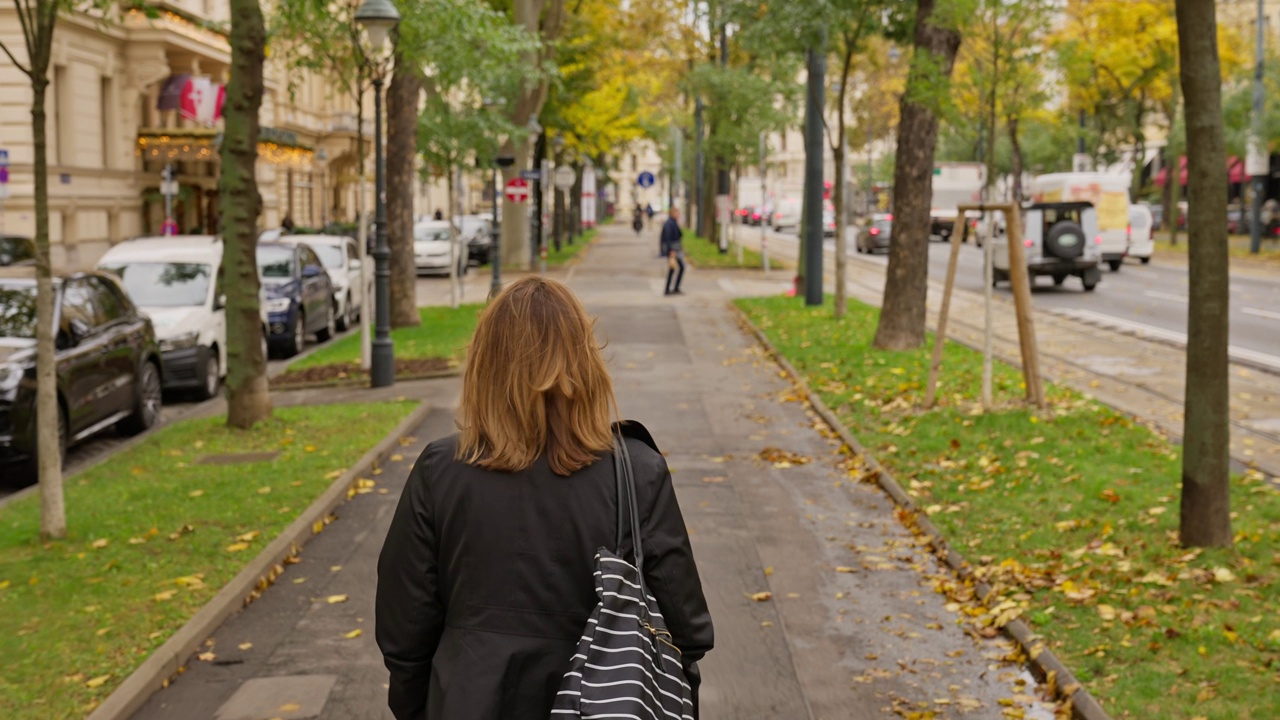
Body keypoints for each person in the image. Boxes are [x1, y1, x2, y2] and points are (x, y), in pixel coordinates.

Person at [375, 276, 713, 720]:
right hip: (603, 701)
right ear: (585, 362)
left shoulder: (440, 469)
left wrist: (420, 704)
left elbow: (404, 628)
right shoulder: (636, 471)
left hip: (466, 698)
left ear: (485, 366)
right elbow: (687, 627)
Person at [661, 207, 685, 295]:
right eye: (677, 213)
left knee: (674, 268)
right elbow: (667, 237)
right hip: (673, 250)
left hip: (674, 249)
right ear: (673, 213)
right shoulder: (669, 223)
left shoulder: (673, 223)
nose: (678, 215)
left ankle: (671, 288)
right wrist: (671, 250)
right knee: (678, 268)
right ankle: (672, 288)